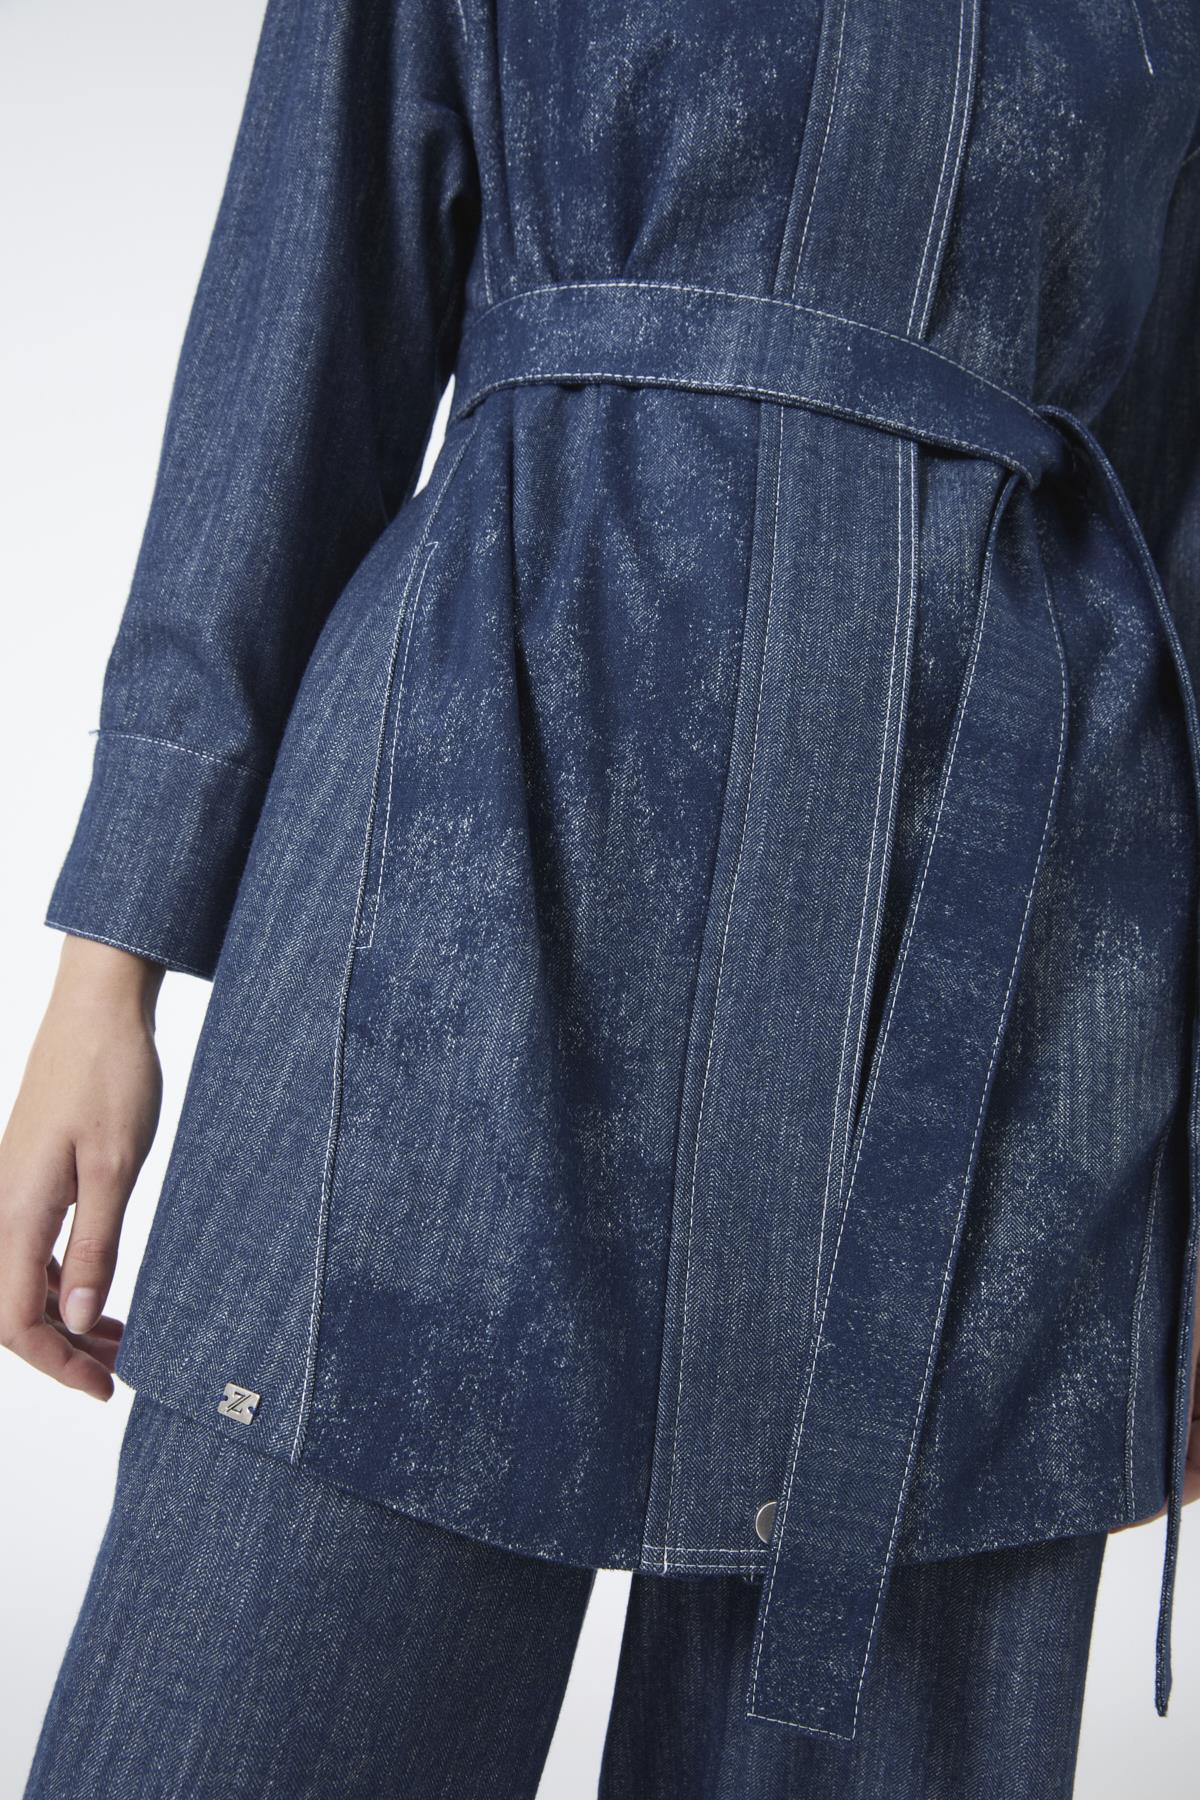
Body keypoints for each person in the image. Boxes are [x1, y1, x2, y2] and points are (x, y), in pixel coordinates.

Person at [4, 1, 1200, 1795]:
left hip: (999, 990)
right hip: (467, 869)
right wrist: (110, 971)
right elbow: (298, 338)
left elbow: (1177, 531)